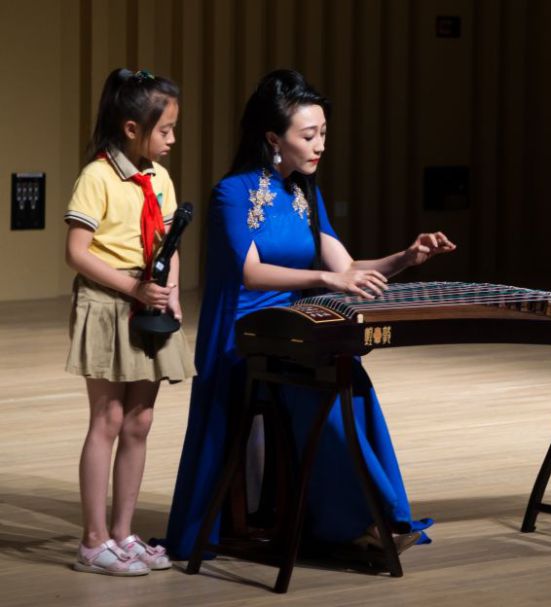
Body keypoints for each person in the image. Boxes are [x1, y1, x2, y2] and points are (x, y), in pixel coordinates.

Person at [164, 69, 455, 561]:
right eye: (309, 135)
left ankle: (366, 517)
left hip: (293, 331)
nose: (320, 144)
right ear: (273, 138)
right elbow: (251, 273)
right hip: (243, 339)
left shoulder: (304, 193)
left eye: (323, 133)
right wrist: (325, 279)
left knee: (348, 378)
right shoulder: (232, 193)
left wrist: (407, 257)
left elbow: (348, 268)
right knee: (321, 391)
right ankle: (358, 521)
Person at [64, 68, 196, 576]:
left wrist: (172, 291)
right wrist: (134, 288)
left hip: (149, 304)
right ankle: (93, 541)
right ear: (131, 128)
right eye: (165, 129)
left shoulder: (159, 177)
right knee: (109, 418)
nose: (172, 139)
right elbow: (77, 253)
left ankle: (123, 534)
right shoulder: (97, 177)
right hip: (108, 304)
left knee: (140, 420)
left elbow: (169, 240)